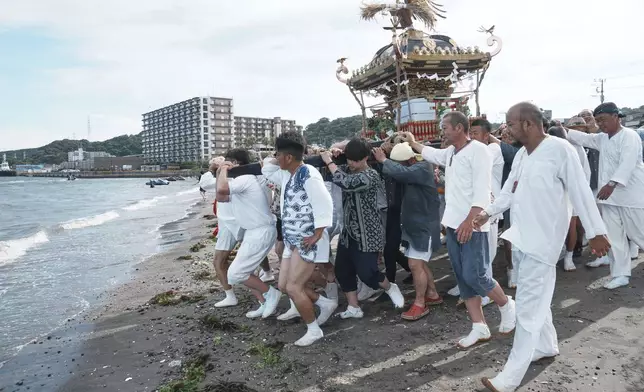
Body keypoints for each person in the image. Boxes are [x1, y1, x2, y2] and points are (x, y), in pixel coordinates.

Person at [474, 101, 610, 392]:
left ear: (528, 124)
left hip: (543, 241)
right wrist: (488, 212)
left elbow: (581, 191)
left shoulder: (560, 150)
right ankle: (546, 346)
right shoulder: (523, 154)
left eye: (510, 124)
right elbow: (509, 190)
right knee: (533, 297)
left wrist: (597, 232)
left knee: (527, 309)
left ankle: (509, 378)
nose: (506, 130)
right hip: (521, 237)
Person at [403, 112, 516, 349]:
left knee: (477, 275)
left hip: (473, 224)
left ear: (459, 128)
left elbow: (483, 191)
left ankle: (506, 305)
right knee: (464, 278)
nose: (441, 131)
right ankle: (479, 326)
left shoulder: (479, 151)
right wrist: (412, 142)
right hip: (454, 224)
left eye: (445, 127)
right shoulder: (452, 152)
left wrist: (469, 220)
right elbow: (430, 153)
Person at [261, 131, 337, 346]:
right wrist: (273, 156)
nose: (275, 158)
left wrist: (318, 234)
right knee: (284, 285)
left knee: (294, 287)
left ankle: (313, 330)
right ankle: (325, 303)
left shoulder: (308, 174)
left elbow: (326, 204)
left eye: (278, 154)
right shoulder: (287, 173)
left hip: (308, 240)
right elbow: (266, 168)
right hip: (292, 238)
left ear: (287, 157)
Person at [322, 138, 405, 320]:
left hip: (368, 232)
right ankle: (354, 307)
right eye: (349, 159)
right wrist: (334, 152)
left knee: (368, 273)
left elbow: (346, 182)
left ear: (365, 158)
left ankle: (391, 287)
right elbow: (333, 174)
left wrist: (329, 161)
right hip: (349, 232)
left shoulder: (371, 176)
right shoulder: (346, 169)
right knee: (343, 271)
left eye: (355, 160)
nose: (351, 163)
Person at [566, 102, 644, 289]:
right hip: (609, 199)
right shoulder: (602, 138)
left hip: (631, 196)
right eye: (598, 121)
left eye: (604, 120)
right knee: (614, 237)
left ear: (616, 117)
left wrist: (612, 183)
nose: (601, 124)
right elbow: (584, 139)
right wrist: (561, 131)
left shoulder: (629, 136)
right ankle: (620, 274)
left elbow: (628, 162)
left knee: (638, 234)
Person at [373, 142, 442, 321]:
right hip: (415, 226)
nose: (398, 167)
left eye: (400, 163)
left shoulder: (423, 167)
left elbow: (400, 172)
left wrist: (383, 160)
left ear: (410, 160)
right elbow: (400, 172)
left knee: (414, 265)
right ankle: (432, 294)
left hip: (423, 226)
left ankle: (420, 303)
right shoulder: (414, 167)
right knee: (420, 263)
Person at [216, 148, 281, 318]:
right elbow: (221, 197)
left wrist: (222, 170)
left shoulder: (245, 178)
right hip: (254, 231)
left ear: (235, 163)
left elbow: (221, 190)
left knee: (236, 273)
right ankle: (263, 301)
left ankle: (271, 294)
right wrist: (221, 172)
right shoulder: (243, 180)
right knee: (245, 271)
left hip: (260, 231)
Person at [199, 157, 246, 308]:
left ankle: (231, 295)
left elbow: (205, 184)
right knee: (249, 258)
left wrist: (213, 168)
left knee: (221, 262)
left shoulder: (229, 179)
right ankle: (267, 274)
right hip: (237, 222)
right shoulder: (248, 178)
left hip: (231, 223)